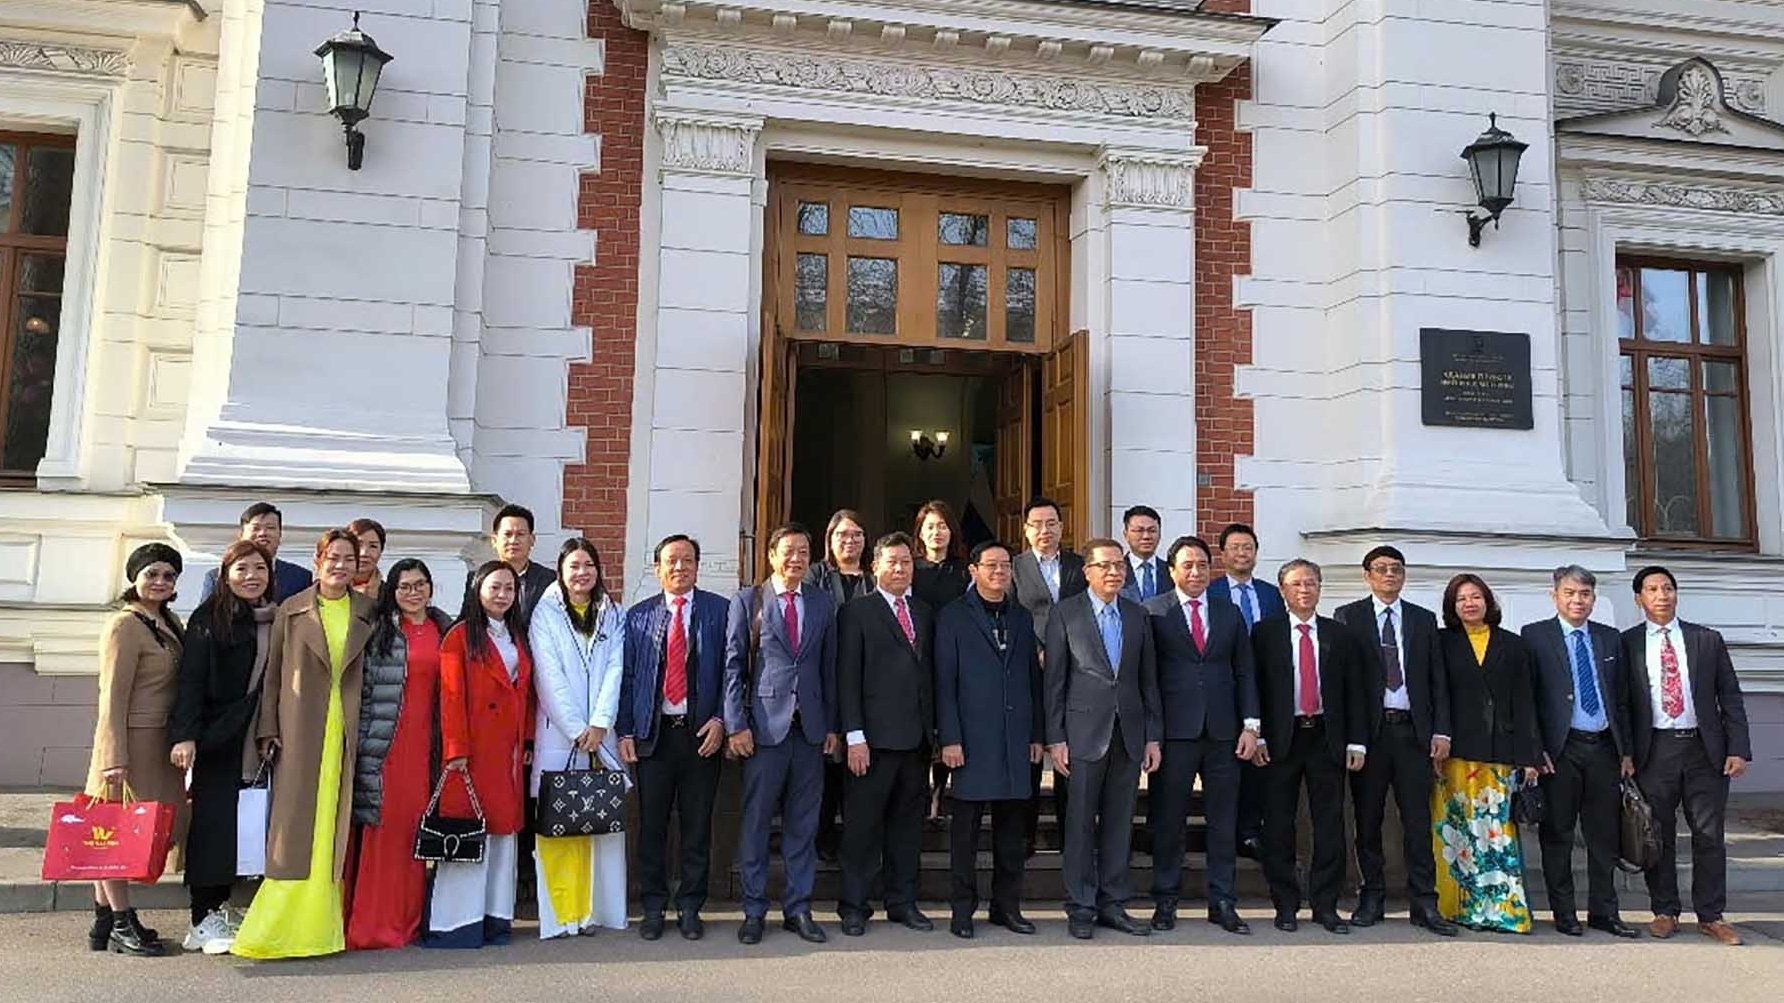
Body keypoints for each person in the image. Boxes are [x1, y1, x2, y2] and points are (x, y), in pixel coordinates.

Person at [232, 530, 376, 960]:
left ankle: (323, 928)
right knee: (292, 829)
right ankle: (278, 927)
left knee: (332, 824)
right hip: (300, 729)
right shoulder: (292, 611)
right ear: (318, 561)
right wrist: (267, 728)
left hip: (347, 731)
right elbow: (272, 675)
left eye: (349, 559)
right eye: (333, 557)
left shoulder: (367, 611)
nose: (340, 565)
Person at [1621, 565, 1750, 946]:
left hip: (1704, 750)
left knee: (1709, 835)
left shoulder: (1706, 639)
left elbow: (1730, 696)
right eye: (1652, 589)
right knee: (1656, 834)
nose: (1662, 595)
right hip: (1654, 750)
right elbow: (1623, 705)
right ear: (1639, 599)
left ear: (1676, 594)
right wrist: (1626, 752)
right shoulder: (1626, 644)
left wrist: (1738, 748)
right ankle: (1664, 910)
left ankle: (1711, 914)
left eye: (1668, 588)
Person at [1332, 546, 1456, 936]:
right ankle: (1372, 896)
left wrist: (1441, 730)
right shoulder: (1348, 617)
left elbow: (1438, 679)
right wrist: (1352, 739)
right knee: (1367, 820)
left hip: (1413, 734)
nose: (1389, 575)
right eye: (1381, 570)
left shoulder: (1422, 619)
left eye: (1396, 570)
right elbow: (1345, 686)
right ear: (1367, 575)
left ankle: (1425, 902)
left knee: (1417, 821)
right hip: (1370, 735)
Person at [725, 523, 840, 945]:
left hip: (809, 731)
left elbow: (829, 668)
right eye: (788, 551)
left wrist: (831, 725)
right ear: (771, 555)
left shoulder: (822, 601)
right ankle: (754, 910)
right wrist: (736, 724)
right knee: (756, 823)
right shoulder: (748, 600)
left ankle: (799, 908)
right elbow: (734, 666)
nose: (796, 559)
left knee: (803, 825)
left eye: (804, 551)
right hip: (763, 731)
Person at [1044, 537, 1160, 940]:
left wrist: (1152, 737)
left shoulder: (1136, 614)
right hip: (1081, 735)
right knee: (1079, 824)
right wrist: (1055, 738)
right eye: (1105, 565)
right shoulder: (1065, 614)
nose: (1114, 572)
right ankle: (1080, 905)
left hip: (1128, 734)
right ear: (1088, 571)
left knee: (1118, 822)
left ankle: (1113, 902)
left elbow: (1148, 682)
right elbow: (1054, 682)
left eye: (1119, 566)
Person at [1143, 535, 1258, 935]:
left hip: (1224, 733)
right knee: (1169, 821)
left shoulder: (1229, 613)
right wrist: (1151, 735)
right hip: (1174, 735)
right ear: (1171, 570)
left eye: (1202, 565)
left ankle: (1223, 901)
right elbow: (1147, 680)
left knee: (1223, 822)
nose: (1195, 572)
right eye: (1187, 565)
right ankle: (1165, 900)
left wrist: (1251, 726)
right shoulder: (1152, 612)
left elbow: (1245, 671)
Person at [618, 535, 728, 941]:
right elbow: (627, 678)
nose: (679, 567)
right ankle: (652, 905)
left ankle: (690, 905)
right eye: (671, 561)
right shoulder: (638, 616)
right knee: (652, 826)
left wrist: (721, 719)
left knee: (698, 826)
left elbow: (733, 673)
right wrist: (626, 729)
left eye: (687, 560)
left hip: (702, 736)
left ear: (697, 566)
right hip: (655, 737)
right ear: (657, 568)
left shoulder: (720, 611)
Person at [170, 540, 275, 955]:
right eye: (242, 569)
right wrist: (185, 735)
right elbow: (191, 681)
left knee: (241, 825)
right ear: (226, 574)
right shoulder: (208, 618)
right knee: (213, 824)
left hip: (254, 738)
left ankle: (221, 907)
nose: (251, 577)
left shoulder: (270, 618)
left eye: (260, 569)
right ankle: (200, 918)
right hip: (216, 736)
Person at [1522, 565, 1638, 939]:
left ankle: (1605, 911)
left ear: (1594, 598)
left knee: (1603, 836)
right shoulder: (1535, 636)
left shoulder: (1609, 638)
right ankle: (1564, 912)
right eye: (1570, 593)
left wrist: (1626, 750)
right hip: (1560, 751)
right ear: (1554, 595)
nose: (1577, 600)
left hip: (1604, 748)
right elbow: (1528, 701)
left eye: (1585, 594)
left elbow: (1621, 699)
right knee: (1557, 834)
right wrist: (1535, 751)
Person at [1252, 558, 1365, 935]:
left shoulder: (1339, 634)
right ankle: (1285, 904)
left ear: (1320, 588)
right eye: (1296, 584)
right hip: (1281, 740)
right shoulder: (1264, 633)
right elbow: (1256, 689)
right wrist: (1259, 735)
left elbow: (1354, 692)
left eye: (1311, 583)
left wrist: (1357, 742)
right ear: (1282, 591)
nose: (1304, 590)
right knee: (1279, 825)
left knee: (1329, 825)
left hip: (1326, 738)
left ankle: (1325, 905)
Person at [935, 541, 1043, 940]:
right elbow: (944, 683)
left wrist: (1036, 735)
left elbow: (1033, 678)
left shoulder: (1020, 617)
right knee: (965, 836)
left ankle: (1006, 907)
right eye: (991, 565)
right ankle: (963, 909)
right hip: (969, 742)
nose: (999, 571)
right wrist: (949, 738)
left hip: (1014, 742)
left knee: (1011, 835)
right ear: (974, 570)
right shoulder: (953, 617)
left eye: (1005, 566)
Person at [425, 561, 534, 948]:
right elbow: (450, 698)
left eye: (509, 588)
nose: (502, 595)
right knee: (467, 833)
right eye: (495, 587)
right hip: (472, 752)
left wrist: (528, 741)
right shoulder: (457, 637)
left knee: (502, 836)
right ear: (477, 590)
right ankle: (457, 923)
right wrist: (456, 750)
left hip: (507, 751)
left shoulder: (518, 636)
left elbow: (527, 694)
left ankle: (494, 919)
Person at [344, 558, 452, 950]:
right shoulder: (381, 631)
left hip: (428, 745)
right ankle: (373, 925)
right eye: (405, 586)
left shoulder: (445, 629)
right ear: (393, 591)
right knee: (383, 833)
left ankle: (409, 921)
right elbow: (366, 690)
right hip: (387, 743)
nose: (413, 592)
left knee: (414, 834)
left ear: (430, 588)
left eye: (420, 584)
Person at [85, 542, 187, 957]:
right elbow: (112, 695)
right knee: (115, 833)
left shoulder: (165, 620)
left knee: (131, 831)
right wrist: (113, 757)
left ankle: (103, 922)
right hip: (128, 745)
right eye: (152, 574)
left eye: (168, 575)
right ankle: (123, 922)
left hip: (156, 745)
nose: (160, 581)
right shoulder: (125, 626)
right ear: (135, 578)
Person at [836, 532, 936, 936]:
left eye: (906, 562)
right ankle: (855, 905)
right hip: (872, 742)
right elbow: (847, 678)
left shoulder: (924, 611)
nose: (900, 569)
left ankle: (902, 902)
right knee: (862, 827)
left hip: (915, 740)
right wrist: (854, 736)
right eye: (892, 562)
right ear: (875, 566)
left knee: (907, 828)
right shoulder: (857, 612)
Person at [1431, 573, 1542, 934]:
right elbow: (1437, 695)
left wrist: (1530, 755)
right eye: (1461, 598)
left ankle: (1503, 912)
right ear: (1452, 606)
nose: (1469, 603)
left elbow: (1526, 702)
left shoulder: (1513, 644)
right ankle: (1463, 909)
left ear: (1488, 601)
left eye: (1475, 597)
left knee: (1496, 832)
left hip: (1501, 750)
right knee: (1459, 833)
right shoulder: (1441, 642)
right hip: (1456, 753)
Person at [529, 538, 628, 939]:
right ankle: (563, 915)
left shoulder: (611, 613)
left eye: (589, 564)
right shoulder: (545, 615)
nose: (582, 573)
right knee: (560, 828)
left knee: (602, 826)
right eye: (574, 565)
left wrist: (601, 723)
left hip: (601, 736)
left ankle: (597, 912)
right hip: (561, 737)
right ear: (561, 571)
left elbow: (616, 669)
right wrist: (575, 729)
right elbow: (547, 676)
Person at [1012, 497, 1085, 854]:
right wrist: (1034, 651)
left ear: (1061, 526)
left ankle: (1070, 834)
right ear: (1025, 530)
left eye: (1051, 523)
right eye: (1037, 524)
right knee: (1030, 750)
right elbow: (1008, 618)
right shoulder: (1012, 567)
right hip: (1028, 671)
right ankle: (1023, 835)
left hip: (1075, 672)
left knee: (1067, 753)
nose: (1045, 531)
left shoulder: (1080, 565)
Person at [1206, 523, 1283, 860]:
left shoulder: (1270, 594)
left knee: (1259, 762)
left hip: (1264, 686)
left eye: (1248, 547)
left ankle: (1250, 830)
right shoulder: (1210, 593)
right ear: (1223, 554)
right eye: (1235, 547)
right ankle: (1224, 829)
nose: (1242, 553)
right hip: (1222, 688)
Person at [810, 508, 871, 861]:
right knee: (826, 767)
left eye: (857, 534)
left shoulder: (872, 578)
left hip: (867, 683)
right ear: (829, 540)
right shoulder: (816, 576)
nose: (850, 541)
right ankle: (823, 836)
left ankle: (856, 840)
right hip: (825, 678)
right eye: (842, 535)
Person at [912, 500, 968, 822]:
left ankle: (940, 794)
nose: (937, 532)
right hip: (918, 658)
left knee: (950, 725)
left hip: (955, 658)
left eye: (943, 526)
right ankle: (921, 794)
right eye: (930, 526)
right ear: (920, 532)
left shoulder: (963, 570)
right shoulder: (912, 569)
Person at [199, 502, 313, 602]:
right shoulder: (216, 577)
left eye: (270, 527)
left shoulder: (301, 577)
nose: (263, 533)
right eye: (256, 528)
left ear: (280, 535)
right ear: (241, 535)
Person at [465, 504, 556, 623]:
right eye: (507, 534)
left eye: (520, 534)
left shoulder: (550, 580)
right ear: (494, 540)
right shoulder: (477, 578)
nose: (513, 541)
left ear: (532, 540)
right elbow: (468, 621)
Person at [1118, 506, 1167, 602]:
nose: (1146, 536)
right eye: (1139, 531)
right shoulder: (1116, 571)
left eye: (1152, 531)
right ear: (1126, 534)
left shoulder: (1171, 571)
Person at [347, 518, 386, 598]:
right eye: (358, 545)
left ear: (381, 551)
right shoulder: (327, 589)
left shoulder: (390, 594)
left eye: (373, 546)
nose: (364, 553)